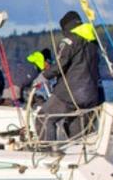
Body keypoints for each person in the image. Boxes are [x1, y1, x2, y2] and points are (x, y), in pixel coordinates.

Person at [35, 11, 103, 141]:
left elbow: (61, 64)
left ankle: (49, 152)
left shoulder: (70, 40)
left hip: (70, 94)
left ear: (66, 27)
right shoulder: (92, 42)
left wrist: (44, 76)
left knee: (44, 118)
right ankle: (78, 153)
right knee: (75, 126)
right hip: (90, 96)